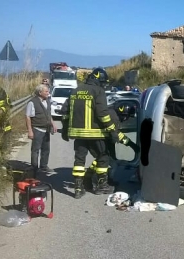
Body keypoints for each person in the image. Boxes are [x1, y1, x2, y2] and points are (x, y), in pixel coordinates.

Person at [60, 68, 122, 199]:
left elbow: (65, 111)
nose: (103, 85)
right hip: (95, 134)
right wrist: (112, 130)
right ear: (98, 80)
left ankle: (78, 189)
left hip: (78, 135)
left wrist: (65, 130)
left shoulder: (75, 90)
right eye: (103, 82)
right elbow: (102, 114)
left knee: (79, 160)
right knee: (103, 158)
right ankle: (102, 186)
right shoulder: (98, 91)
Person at [25, 84, 57, 175]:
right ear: (40, 92)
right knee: (35, 150)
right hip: (37, 129)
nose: (48, 93)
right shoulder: (32, 102)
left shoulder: (47, 101)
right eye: (46, 91)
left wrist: (53, 124)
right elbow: (27, 117)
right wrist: (30, 131)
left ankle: (44, 166)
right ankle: (34, 168)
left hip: (46, 129)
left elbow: (48, 114)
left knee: (46, 149)